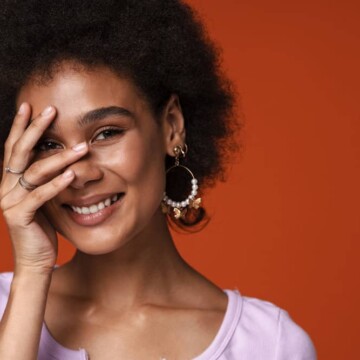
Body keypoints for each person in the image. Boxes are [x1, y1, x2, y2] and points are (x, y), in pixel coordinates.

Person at [0, 0, 317, 359]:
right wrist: (31, 272)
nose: (80, 174)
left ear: (171, 126)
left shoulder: (268, 346)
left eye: (106, 133)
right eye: (49, 144)